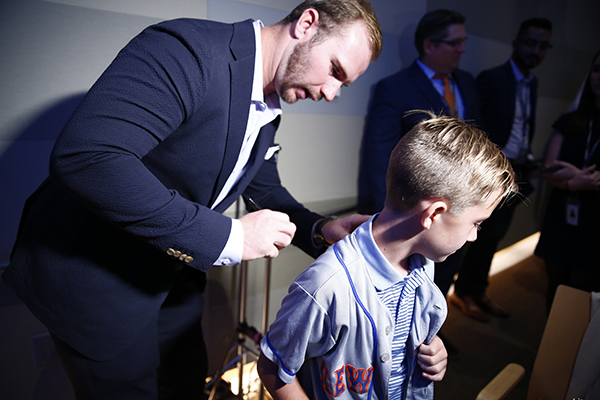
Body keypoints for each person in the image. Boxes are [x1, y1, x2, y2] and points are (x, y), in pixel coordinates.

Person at [1, 1, 383, 399]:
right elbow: (88, 157)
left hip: (173, 280)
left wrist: (321, 229)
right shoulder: (188, 50)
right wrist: (229, 237)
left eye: (345, 85)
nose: (331, 92)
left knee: (185, 385)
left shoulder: (269, 107)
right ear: (306, 24)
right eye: (335, 71)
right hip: (98, 280)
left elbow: (265, 191)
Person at [258, 111, 518, 400]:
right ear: (434, 214)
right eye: (476, 223)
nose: (474, 236)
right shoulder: (325, 287)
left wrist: (435, 353)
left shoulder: (422, 263)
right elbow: (273, 365)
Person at [449, 18, 553, 322]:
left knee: (494, 238)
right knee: (478, 237)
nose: (535, 50)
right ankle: (465, 292)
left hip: (519, 171)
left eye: (543, 45)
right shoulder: (492, 78)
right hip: (492, 173)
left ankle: (477, 290)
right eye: (530, 43)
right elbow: (477, 128)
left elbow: (523, 126)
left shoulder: (531, 83)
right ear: (517, 43)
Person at [357, 9, 480, 216]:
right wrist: (386, 215)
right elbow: (381, 158)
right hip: (417, 210)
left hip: (464, 206)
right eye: (455, 43)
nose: (462, 49)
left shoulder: (467, 82)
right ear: (429, 45)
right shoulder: (395, 88)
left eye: (463, 41)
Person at [535, 49, 600, 311]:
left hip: (595, 222)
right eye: (596, 69)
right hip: (562, 213)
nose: (599, 76)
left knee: (583, 293)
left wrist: (572, 174)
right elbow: (550, 168)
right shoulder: (570, 120)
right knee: (557, 287)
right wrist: (577, 182)